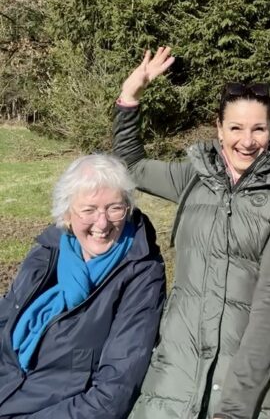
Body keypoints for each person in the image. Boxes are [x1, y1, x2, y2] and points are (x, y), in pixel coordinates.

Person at [114, 47, 270, 419]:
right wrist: (131, 94)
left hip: (250, 382)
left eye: (259, 128)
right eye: (236, 127)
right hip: (176, 371)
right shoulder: (194, 179)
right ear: (219, 129)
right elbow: (131, 165)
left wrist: (236, 409)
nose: (247, 140)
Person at [0, 154, 165, 418]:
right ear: (67, 213)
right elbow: (5, 319)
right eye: (89, 210)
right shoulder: (48, 250)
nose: (103, 223)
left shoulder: (141, 274)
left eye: (115, 208)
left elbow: (112, 395)